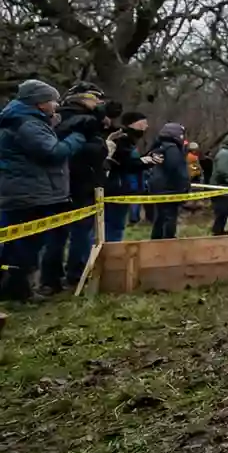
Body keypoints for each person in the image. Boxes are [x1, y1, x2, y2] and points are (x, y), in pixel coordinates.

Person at [0, 80, 89, 301]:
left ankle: (14, 287)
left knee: (20, 243)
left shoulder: (25, 121)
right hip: (28, 194)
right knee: (26, 245)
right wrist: (78, 137)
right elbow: (52, 152)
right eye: (52, 101)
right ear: (39, 103)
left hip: (26, 191)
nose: (56, 105)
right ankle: (19, 290)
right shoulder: (27, 125)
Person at [41, 82, 110, 291]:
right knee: (80, 232)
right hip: (80, 182)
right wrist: (103, 145)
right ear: (82, 98)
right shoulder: (84, 121)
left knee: (57, 233)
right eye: (96, 98)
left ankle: (50, 279)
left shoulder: (57, 118)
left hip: (61, 182)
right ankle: (76, 274)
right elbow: (92, 151)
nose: (99, 103)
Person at [103, 111, 152, 242]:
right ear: (132, 124)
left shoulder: (130, 142)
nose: (146, 127)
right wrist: (144, 162)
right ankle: (112, 248)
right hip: (116, 188)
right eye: (143, 124)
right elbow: (125, 164)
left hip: (125, 187)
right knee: (114, 225)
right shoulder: (121, 141)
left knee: (116, 224)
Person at [147, 122, 190, 239]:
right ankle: (168, 240)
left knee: (160, 216)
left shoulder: (159, 147)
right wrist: (184, 185)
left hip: (159, 187)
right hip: (170, 188)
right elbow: (176, 168)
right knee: (169, 216)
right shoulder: (172, 149)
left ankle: (156, 240)